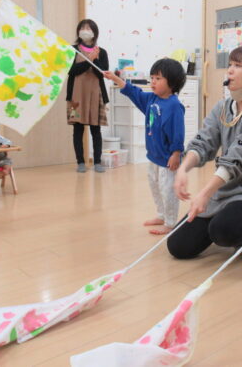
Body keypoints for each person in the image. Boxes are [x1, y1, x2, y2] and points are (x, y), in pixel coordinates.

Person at [167, 45, 242, 261]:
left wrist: (205, 193)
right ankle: (229, 218)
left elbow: (240, 156)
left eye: (238, 66)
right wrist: (183, 169)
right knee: (178, 246)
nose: (229, 70)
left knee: (222, 230)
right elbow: (203, 142)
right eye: (230, 64)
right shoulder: (222, 107)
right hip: (226, 190)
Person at [104, 59, 186, 235]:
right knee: (155, 186)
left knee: (167, 190)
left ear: (172, 83)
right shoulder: (151, 99)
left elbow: (178, 133)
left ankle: (170, 222)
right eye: (152, 77)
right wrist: (116, 79)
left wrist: (176, 153)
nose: (153, 82)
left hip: (167, 159)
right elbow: (134, 92)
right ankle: (161, 215)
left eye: (158, 78)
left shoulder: (174, 106)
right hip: (154, 156)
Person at [66, 19, 110, 173]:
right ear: (78, 31)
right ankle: (80, 162)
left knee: (95, 130)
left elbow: (102, 73)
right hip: (76, 97)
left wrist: (95, 59)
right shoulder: (72, 50)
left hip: (96, 96)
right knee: (78, 130)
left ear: (94, 32)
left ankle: (97, 162)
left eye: (88, 28)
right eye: (82, 28)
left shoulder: (101, 52)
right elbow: (72, 71)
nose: (85, 30)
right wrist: (89, 60)